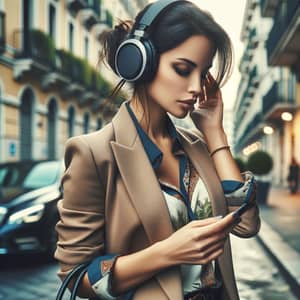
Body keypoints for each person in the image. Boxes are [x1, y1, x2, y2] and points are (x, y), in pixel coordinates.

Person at [55, 1, 260, 299]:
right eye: (182, 69)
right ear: (141, 60)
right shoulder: (92, 153)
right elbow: (76, 278)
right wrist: (166, 253)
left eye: (202, 74)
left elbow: (246, 224)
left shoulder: (198, 147)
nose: (194, 87)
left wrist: (215, 133)